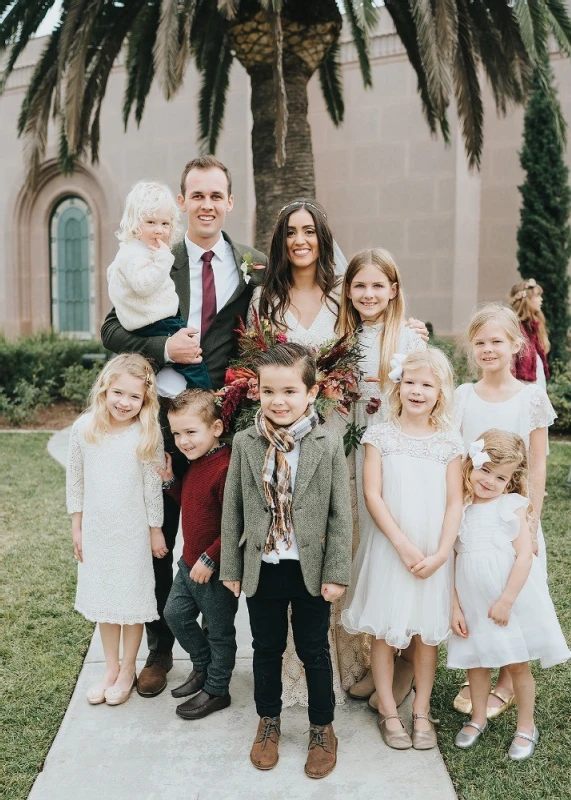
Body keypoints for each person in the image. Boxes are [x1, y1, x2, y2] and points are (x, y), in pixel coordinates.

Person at [248, 198, 428, 707]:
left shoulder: (340, 298)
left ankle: (351, 653)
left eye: (309, 231)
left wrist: (413, 332)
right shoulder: (265, 299)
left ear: (323, 238)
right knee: (295, 537)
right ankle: (292, 661)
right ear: (281, 241)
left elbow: (376, 337)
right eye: (291, 232)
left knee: (341, 535)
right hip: (285, 435)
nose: (300, 240)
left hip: (342, 434)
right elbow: (255, 369)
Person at [101, 156, 267, 698]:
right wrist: (162, 347)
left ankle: (218, 651)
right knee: (160, 533)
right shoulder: (152, 256)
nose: (207, 204)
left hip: (224, 427)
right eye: (196, 195)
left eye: (216, 195)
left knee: (215, 535)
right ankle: (159, 649)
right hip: (165, 421)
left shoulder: (253, 264)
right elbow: (110, 329)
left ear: (230, 202)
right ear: (181, 201)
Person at [220, 343, 353, 779]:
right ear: (257, 391)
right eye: (270, 390)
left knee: (314, 650)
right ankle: (269, 722)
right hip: (265, 567)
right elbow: (233, 509)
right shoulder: (244, 442)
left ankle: (322, 728)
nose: (279, 400)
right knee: (266, 648)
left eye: (291, 391)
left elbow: (340, 513)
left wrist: (336, 572)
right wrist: (232, 569)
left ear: (311, 393)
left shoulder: (326, 443)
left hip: (310, 569)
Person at [342, 348, 464, 750]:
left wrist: (442, 552)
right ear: (397, 386)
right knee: (383, 630)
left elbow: (453, 503)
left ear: (440, 392)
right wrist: (402, 544)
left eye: (427, 384)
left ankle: (422, 712)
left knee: (425, 636)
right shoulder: (380, 436)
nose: (417, 390)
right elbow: (373, 495)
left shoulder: (449, 443)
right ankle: (389, 714)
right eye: (410, 382)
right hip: (392, 549)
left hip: (432, 552)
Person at [453, 303, 556, 718]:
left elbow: (538, 462)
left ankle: (509, 680)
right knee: (479, 587)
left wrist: (529, 520)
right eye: (480, 342)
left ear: (516, 344)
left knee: (516, 592)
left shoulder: (530, 397)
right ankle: (481, 660)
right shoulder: (462, 396)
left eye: (496, 341)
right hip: (474, 512)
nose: (487, 348)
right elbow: (457, 457)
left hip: (513, 516)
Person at [337, 247, 426, 708]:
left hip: (396, 456)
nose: (369, 293)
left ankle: (407, 663)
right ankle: (381, 662)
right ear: (348, 291)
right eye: (360, 285)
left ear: (393, 290)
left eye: (378, 285)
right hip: (354, 453)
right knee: (368, 557)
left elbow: (425, 398)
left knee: (394, 553)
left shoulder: (410, 340)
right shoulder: (343, 338)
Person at [448, 429, 570, 761]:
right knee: (476, 662)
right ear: (471, 463)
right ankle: (477, 718)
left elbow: (524, 556)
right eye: (485, 469)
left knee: (517, 664)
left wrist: (506, 600)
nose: (489, 481)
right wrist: (455, 607)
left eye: (500, 477)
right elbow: (453, 558)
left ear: (510, 481)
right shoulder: (459, 508)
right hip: (472, 602)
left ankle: (526, 725)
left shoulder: (512, 506)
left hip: (506, 602)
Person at [66, 353, 166, 706]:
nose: (125, 403)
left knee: (131, 601)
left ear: (146, 400)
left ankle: (127, 669)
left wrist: (155, 530)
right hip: (97, 528)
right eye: (118, 393)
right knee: (106, 603)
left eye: (135, 397)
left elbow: (152, 488)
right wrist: (77, 526)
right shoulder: (84, 428)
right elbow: (75, 480)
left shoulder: (147, 433)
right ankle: (109, 668)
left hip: (132, 530)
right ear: (105, 389)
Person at [156, 390, 238, 720]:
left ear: (216, 428)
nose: (184, 441)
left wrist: (212, 557)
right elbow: (192, 503)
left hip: (213, 570)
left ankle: (218, 689)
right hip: (188, 563)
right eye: (177, 433)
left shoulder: (225, 466)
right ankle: (203, 668)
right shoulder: (196, 462)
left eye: (191, 432)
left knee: (219, 632)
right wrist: (171, 480)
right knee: (174, 614)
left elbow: (236, 522)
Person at [107, 181, 211, 390]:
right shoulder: (135, 254)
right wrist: (163, 260)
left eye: (165, 224)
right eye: (151, 222)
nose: (159, 230)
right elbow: (142, 287)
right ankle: (206, 398)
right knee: (194, 364)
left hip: (155, 322)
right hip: (160, 323)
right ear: (135, 224)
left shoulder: (139, 252)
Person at [509, 278, 550, 389]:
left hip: (536, 382)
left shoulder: (535, 327)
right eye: (537, 296)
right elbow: (511, 364)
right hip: (522, 386)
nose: (541, 300)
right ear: (526, 299)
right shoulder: (515, 327)